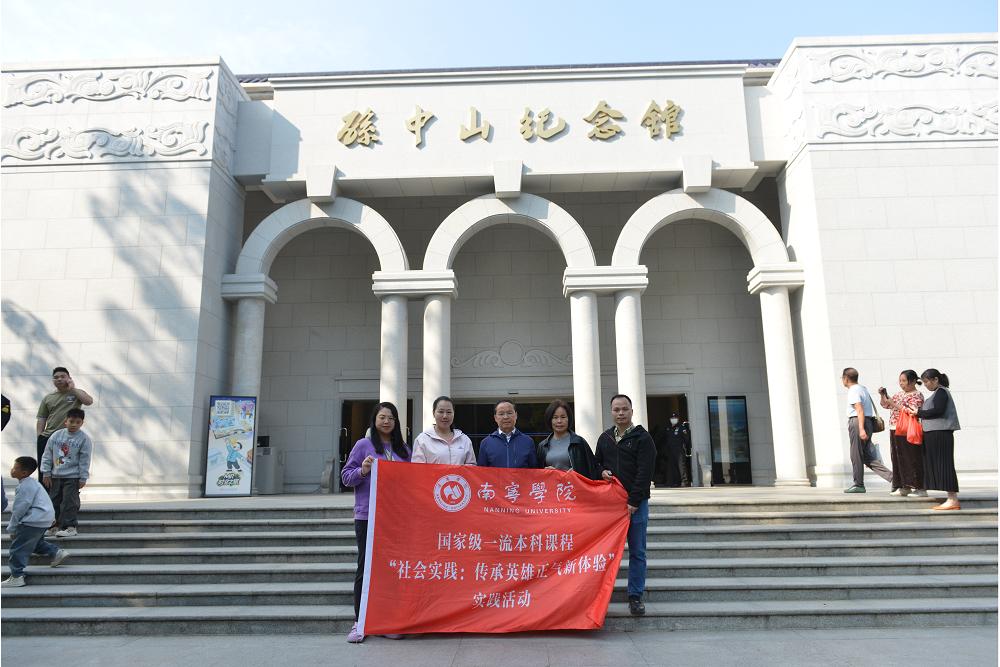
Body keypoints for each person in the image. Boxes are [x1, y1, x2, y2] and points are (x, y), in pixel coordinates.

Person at [341, 402, 411, 643]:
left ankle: (388, 620)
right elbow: (346, 477)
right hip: (368, 516)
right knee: (366, 567)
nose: (386, 421)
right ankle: (360, 621)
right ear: (375, 420)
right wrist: (362, 470)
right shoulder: (363, 445)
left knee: (392, 569)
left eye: (391, 417)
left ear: (396, 422)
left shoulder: (404, 450)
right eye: (382, 417)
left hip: (395, 518)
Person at [595, 394, 656, 616]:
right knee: (606, 551)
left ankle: (635, 596)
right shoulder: (605, 438)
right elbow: (596, 463)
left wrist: (634, 500)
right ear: (611, 412)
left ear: (632, 411)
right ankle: (599, 595)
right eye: (616, 409)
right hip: (611, 506)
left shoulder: (643, 438)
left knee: (637, 551)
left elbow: (645, 472)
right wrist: (601, 471)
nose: (620, 413)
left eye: (624, 409)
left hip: (636, 504)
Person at [2, 457, 70, 588]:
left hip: (33, 520)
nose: (12, 470)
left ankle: (17, 576)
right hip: (43, 519)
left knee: (18, 548)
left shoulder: (24, 486)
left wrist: (12, 527)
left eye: (15, 468)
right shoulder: (33, 483)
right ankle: (56, 553)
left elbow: (19, 509)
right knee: (35, 542)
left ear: (24, 473)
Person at [906, 369, 961, 511]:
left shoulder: (941, 392)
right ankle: (951, 498)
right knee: (940, 464)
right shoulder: (937, 393)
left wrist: (919, 412)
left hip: (940, 434)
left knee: (945, 464)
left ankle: (952, 499)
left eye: (926, 381)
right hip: (935, 434)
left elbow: (938, 410)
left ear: (935, 379)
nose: (925, 385)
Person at [41, 407, 93, 537]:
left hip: (73, 477)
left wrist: (83, 477)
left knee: (70, 502)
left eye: (77, 422)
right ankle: (54, 526)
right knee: (54, 501)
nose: (74, 424)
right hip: (55, 476)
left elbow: (85, 459)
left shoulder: (84, 439)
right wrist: (46, 472)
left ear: (82, 423)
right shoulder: (56, 435)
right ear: (66, 421)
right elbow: (47, 454)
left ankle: (70, 527)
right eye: (71, 421)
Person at [35, 367, 93, 482]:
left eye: (63, 376)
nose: (59, 379)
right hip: (48, 437)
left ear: (69, 378)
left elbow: (88, 401)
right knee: (45, 470)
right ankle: (45, 493)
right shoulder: (48, 398)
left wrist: (73, 389)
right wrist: (39, 436)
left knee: (64, 468)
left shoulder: (76, 393)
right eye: (56, 377)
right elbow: (42, 418)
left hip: (68, 438)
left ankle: (65, 491)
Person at [841, 367, 892, 493]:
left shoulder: (853, 390)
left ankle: (858, 484)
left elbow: (859, 410)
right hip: (867, 422)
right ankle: (894, 479)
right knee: (867, 456)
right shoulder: (863, 388)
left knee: (856, 454)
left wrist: (861, 429)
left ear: (846, 378)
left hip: (858, 422)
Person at [879, 370, 926, 497]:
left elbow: (912, 411)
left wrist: (894, 404)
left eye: (904, 381)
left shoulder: (917, 395)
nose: (901, 383)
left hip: (908, 429)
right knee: (897, 457)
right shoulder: (899, 394)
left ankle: (919, 487)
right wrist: (883, 395)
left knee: (911, 457)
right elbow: (886, 405)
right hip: (895, 427)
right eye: (900, 381)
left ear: (913, 381)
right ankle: (904, 486)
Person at [536, 399, 598, 479]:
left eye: (563, 417)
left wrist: (576, 472)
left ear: (568, 419)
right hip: (552, 485)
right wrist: (546, 472)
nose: (559, 421)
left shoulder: (579, 442)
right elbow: (537, 474)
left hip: (574, 485)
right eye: (555, 417)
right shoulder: (542, 446)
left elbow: (593, 469)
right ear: (550, 420)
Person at [412, 396, 476, 465]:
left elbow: (471, 466)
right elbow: (418, 468)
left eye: (449, 412)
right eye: (441, 412)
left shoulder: (464, 440)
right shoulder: (422, 440)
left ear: (453, 414)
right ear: (433, 413)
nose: (445, 416)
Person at [477, 400, 538, 469]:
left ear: (516, 415)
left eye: (509, 413)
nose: (506, 417)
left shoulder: (528, 441)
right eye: (501, 414)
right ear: (495, 418)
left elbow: (534, 470)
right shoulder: (486, 443)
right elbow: (481, 471)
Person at [657, 412, 692, 487]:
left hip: (679, 450)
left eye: (675, 418)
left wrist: (686, 448)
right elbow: (664, 439)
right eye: (672, 418)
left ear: (678, 419)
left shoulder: (681, 428)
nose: (673, 419)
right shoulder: (668, 428)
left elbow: (686, 439)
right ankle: (674, 482)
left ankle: (684, 481)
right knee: (671, 467)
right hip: (670, 451)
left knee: (681, 466)